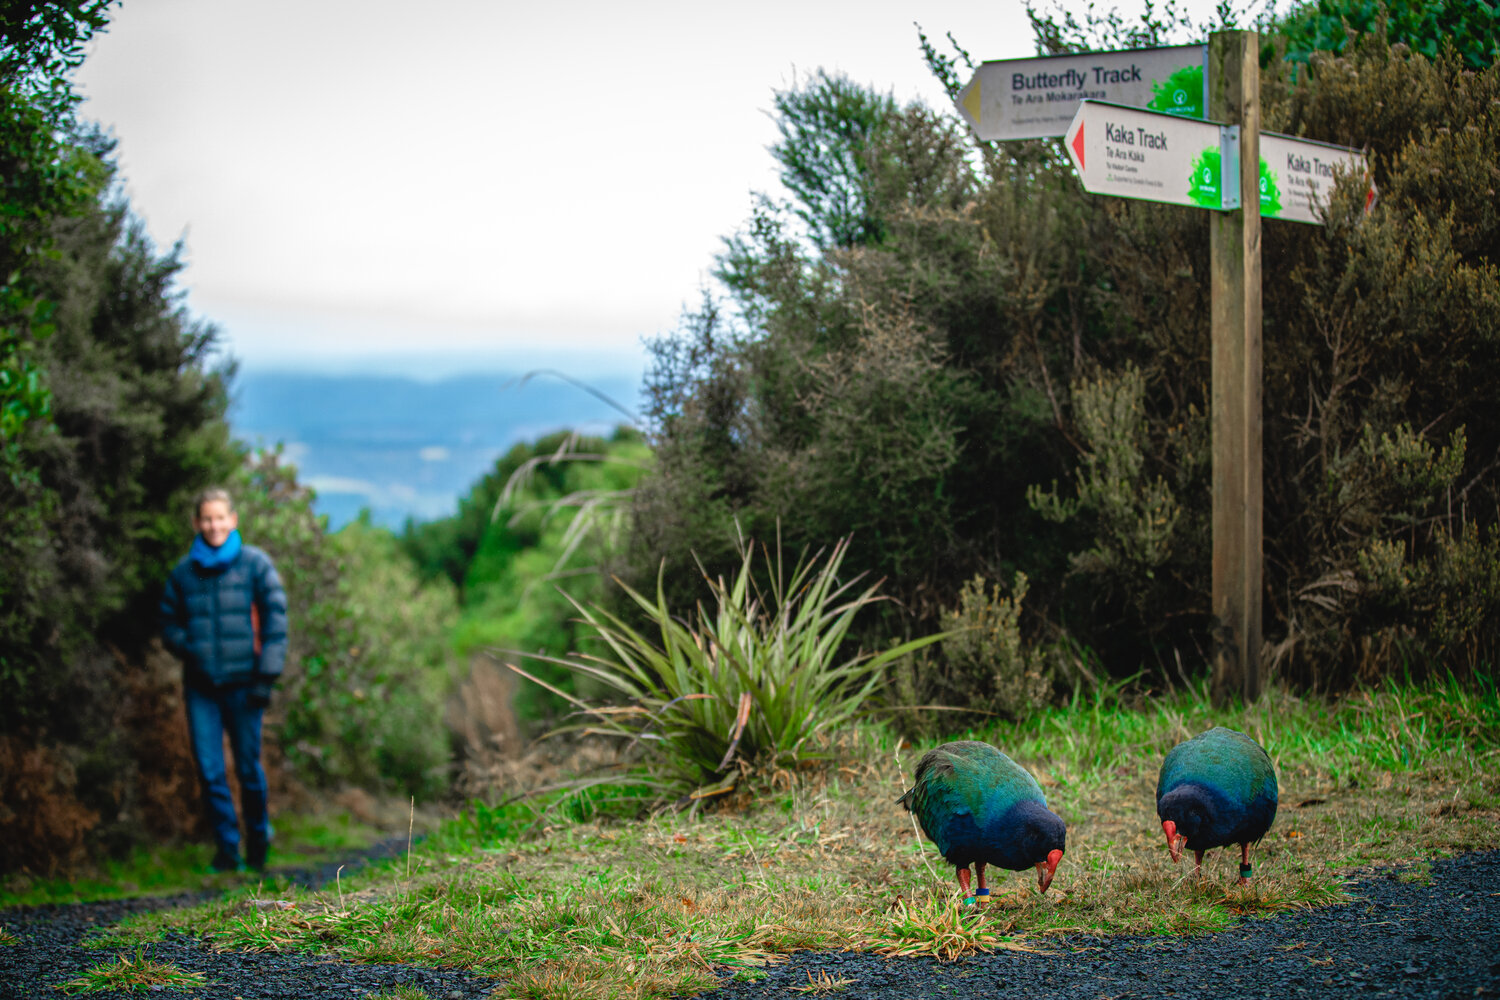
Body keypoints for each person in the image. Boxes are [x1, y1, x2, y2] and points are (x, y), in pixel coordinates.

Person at [160, 488, 288, 873]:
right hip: (201, 688)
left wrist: (266, 675)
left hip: (246, 685)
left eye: (220, 518)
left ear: (233, 520)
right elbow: (169, 624)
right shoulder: (183, 573)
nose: (214, 525)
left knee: (248, 768)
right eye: (207, 519)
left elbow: (276, 622)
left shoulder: (256, 565)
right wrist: (191, 648)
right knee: (210, 770)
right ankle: (227, 852)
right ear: (197, 523)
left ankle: (259, 843)